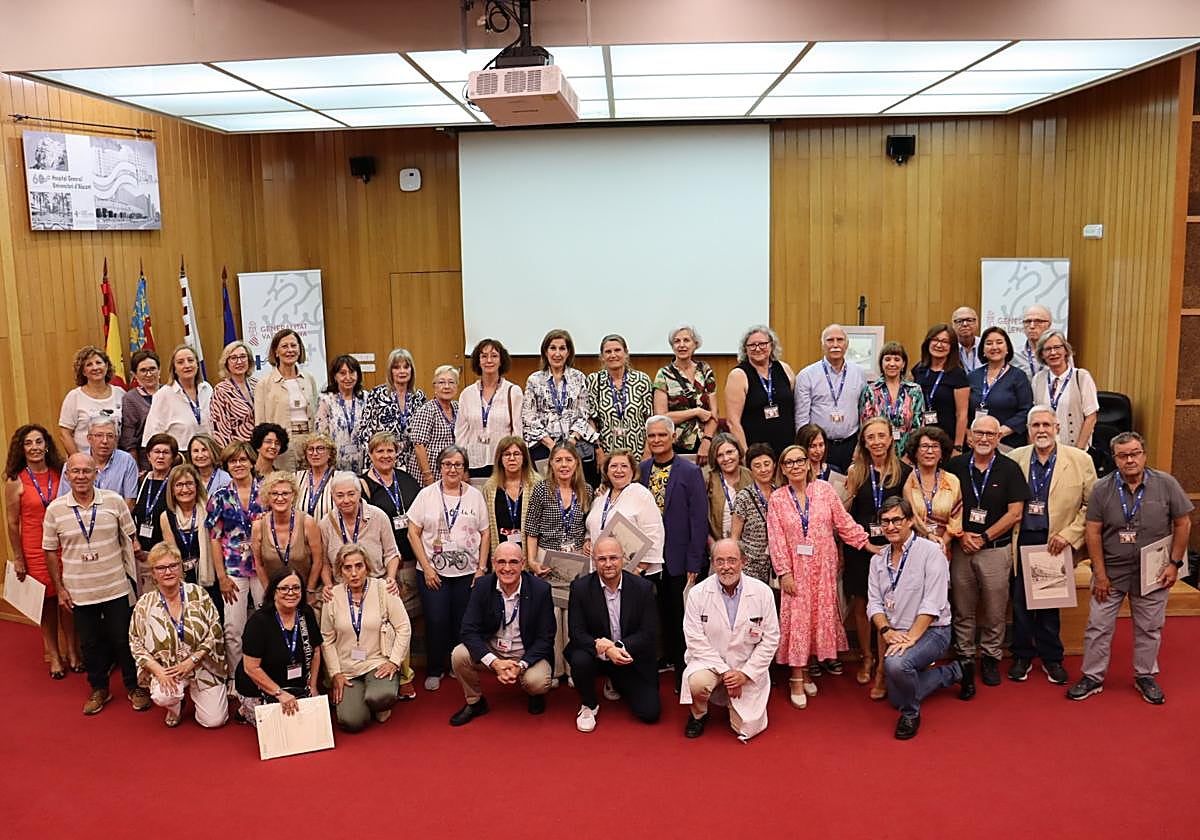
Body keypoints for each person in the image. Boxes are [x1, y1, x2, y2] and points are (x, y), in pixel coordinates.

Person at [1069, 432, 1193, 704]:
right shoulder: (1102, 488)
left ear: (1144, 454)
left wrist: (1175, 563)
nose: (1130, 460)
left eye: (1135, 453)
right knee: (1098, 626)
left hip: (1154, 571)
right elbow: (1093, 532)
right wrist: (1099, 574)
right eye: (1123, 455)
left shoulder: (1166, 484)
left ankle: (1145, 676)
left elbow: (1183, 523)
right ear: (1114, 459)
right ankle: (1092, 676)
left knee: (1149, 627)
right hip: (1111, 571)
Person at [42, 453, 150, 715]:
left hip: (115, 586)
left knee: (124, 639)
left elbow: (130, 536)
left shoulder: (113, 502)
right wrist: (61, 588)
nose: (81, 476)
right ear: (67, 475)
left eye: (86, 471)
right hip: (79, 590)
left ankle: (134, 687)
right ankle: (99, 688)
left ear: (96, 474)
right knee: (90, 643)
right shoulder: (55, 510)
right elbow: (50, 551)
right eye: (75, 471)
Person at [768, 443, 869, 709]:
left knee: (816, 620)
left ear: (808, 463)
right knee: (799, 622)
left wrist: (867, 543)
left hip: (823, 569)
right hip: (796, 572)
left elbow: (843, 523)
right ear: (783, 468)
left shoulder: (824, 490)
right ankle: (796, 678)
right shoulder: (777, 498)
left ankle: (808, 666)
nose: (796, 466)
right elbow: (775, 539)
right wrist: (784, 573)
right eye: (789, 462)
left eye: (799, 460)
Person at [1009, 406, 1097, 684]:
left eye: (1047, 424)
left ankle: (1051, 658)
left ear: (1057, 428)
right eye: (1035, 425)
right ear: (1028, 430)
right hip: (1022, 539)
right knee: (1021, 603)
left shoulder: (1080, 459)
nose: (1041, 430)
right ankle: (1022, 656)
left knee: (1049, 604)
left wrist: (1070, 535)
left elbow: (1091, 506)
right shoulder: (1014, 458)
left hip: (1056, 542)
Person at [866, 497, 963, 740]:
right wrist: (886, 631)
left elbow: (934, 604)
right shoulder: (878, 560)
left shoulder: (931, 552)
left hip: (933, 631)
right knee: (896, 697)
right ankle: (956, 671)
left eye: (897, 520)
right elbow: (874, 603)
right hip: (897, 631)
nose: (891, 527)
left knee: (897, 665)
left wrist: (910, 638)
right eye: (885, 522)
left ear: (910, 521)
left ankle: (911, 714)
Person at [948, 415, 1029, 697]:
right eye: (979, 433)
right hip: (961, 547)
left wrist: (984, 537)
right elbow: (944, 504)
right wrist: (962, 536)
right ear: (969, 436)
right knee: (962, 608)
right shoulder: (954, 466)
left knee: (995, 611)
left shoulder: (1010, 468)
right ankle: (966, 657)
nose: (984, 439)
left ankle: (992, 658)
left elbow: (1015, 513)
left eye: (990, 434)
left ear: (998, 438)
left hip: (995, 549)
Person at [407, 445, 490, 690]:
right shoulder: (426, 495)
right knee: (436, 619)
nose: (452, 469)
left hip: (468, 572)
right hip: (433, 573)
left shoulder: (475, 495)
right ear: (440, 467)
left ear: (464, 469)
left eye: (458, 465)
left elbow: (485, 534)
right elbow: (413, 533)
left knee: (462, 621)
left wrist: (482, 568)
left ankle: (458, 665)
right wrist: (427, 568)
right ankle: (435, 667)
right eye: (447, 464)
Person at [680, 539, 780, 741]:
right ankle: (699, 714)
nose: (726, 567)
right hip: (709, 663)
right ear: (713, 563)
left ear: (743, 561)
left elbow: (770, 640)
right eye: (720, 561)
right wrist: (725, 672)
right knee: (697, 683)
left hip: (746, 666)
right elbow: (694, 639)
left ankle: (733, 704)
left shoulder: (762, 593)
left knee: (745, 727)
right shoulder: (697, 593)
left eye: (732, 560)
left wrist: (745, 674)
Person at [448, 541, 555, 725]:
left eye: (513, 562)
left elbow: (546, 637)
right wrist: (494, 662)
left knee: (537, 682)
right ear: (493, 563)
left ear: (523, 564)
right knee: (459, 654)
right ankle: (476, 702)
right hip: (494, 651)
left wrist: (521, 665)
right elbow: (468, 630)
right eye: (501, 562)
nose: (507, 568)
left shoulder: (540, 589)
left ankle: (534, 694)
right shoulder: (482, 586)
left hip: (525, 653)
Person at [5, 423, 80, 677]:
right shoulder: (16, 481)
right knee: (47, 603)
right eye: (28, 443)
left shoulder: (61, 473)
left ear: (46, 445)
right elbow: (13, 523)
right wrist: (18, 557)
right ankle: (54, 655)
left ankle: (72, 651)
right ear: (22, 449)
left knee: (67, 600)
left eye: (38, 442)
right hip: (36, 550)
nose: (34, 447)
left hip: (64, 545)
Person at [843, 417, 912, 692]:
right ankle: (867, 658)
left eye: (882, 436)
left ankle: (884, 665)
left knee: (889, 608)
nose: (877, 442)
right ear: (864, 442)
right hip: (862, 549)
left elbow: (911, 513)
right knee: (862, 606)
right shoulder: (856, 471)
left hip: (893, 548)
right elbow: (845, 515)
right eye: (871, 437)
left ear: (891, 439)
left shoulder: (904, 471)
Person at [567, 535, 661, 732]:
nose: (608, 564)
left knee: (650, 713)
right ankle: (589, 704)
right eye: (602, 559)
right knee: (579, 658)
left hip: (629, 656)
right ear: (594, 560)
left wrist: (618, 648)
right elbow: (576, 632)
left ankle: (616, 681)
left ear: (623, 558)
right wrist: (604, 648)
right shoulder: (580, 588)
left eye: (613, 558)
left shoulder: (643, 588)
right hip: (595, 654)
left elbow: (649, 632)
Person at [128, 543, 227, 728]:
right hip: (168, 670)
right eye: (161, 568)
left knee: (214, 721)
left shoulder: (199, 594)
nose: (168, 572)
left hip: (201, 665)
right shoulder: (144, 604)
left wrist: (192, 661)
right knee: (164, 695)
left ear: (181, 567)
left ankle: (196, 692)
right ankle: (175, 706)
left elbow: (215, 629)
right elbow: (135, 643)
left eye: (173, 565)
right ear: (153, 573)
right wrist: (159, 672)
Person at [639, 415, 707, 684]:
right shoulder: (642, 469)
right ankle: (659, 662)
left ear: (673, 437)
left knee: (679, 616)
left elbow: (698, 519)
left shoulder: (689, 472)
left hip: (678, 558)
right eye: (652, 436)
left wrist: (694, 561)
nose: (656, 440)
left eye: (661, 435)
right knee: (654, 614)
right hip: (648, 558)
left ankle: (683, 671)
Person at [322, 544, 411, 731]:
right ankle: (361, 703)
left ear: (367, 567)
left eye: (359, 566)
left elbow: (404, 628)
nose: (354, 573)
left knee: (379, 697)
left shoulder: (384, 589)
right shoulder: (332, 596)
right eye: (348, 568)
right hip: (347, 669)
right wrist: (335, 674)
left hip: (377, 663)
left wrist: (394, 662)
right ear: (340, 571)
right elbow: (327, 639)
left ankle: (378, 702)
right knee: (351, 722)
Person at [525, 441, 593, 682]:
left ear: (576, 463)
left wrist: (586, 539)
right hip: (548, 558)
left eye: (569, 460)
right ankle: (554, 669)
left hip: (575, 559)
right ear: (550, 464)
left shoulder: (586, 489)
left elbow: (590, 524)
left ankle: (575, 669)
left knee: (574, 615)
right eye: (558, 460)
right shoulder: (541, 490)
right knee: (551, 616)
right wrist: (532, 561)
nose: (564, 465)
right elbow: (531, 530)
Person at [205, 440, 264, 679]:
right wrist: (221, 577)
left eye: (242, 459)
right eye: (232, 461)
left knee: (266, 623)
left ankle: (265, 674)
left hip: (263, 569)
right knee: (233, 628)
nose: (238, 464)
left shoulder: (267, 491)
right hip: (233, 571)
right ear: (227, 465)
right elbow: (214, 539)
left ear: (251, 462)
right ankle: (237, 677)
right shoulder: (219, 497)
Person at [234, 567, 322, 725]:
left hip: (295, 684)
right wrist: (279, 693)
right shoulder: (258, 622)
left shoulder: (306, 613)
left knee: (303, 726)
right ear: (273, 591)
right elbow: (251, 668)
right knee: (277, 727)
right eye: (284, 588)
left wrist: (313, 686)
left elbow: (315, 652)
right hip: (258, 687)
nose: (291, 593)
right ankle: (245, 708)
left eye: (296, 588)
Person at [521, 329, 598, 483]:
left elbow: (584, 413)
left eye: (562, 348)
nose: (557, 353)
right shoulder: (534, 380)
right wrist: (551, 444)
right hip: (543, 447)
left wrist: (570, 442)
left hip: (574, 445)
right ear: (545, 351)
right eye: (553, 348)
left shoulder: (579, 378)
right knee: (548, 492)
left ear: (569, 352)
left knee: (576, 491)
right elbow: (528, 417)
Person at [793, 324, 868, 472]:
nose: (835, 345)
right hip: (819, 448)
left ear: (846, 344)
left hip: (851, 444)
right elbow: (802, 419)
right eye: (830, 340)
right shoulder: (807, 375)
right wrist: (806, 450)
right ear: (822, 345)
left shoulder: (858, 373)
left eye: (839, 340)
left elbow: (863, 412)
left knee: (849, 488)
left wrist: (861, 445)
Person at [361, 431, 422, 603]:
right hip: (382, 565)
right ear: (371, 454)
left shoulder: (407, 479)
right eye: (380, 451)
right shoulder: (362, 485)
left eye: (390, 451)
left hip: (412, 558)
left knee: (414, 611)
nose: (386, 456)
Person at [158, 464, 224, 620]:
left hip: (211, 577)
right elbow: (172, 554)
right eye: (179, 485)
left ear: (197, 486)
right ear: (172, 490)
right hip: (184, 580)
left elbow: (218, 544)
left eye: (189, 484)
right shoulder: (166, 517)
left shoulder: (210, 510)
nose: (185, 489)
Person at [585, 448, 665, 576]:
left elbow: (654, 533)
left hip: (630, 574)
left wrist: (639, 569)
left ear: (633, 471)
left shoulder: (641, 494)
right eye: (613, 466)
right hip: (600, 571)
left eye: (624, 466)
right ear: (606, 471)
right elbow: (594, 525)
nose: (618, 470)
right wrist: (588, 540)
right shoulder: (601, 495)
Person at [318, 473, 402, 591]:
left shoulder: (378, 516)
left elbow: (391, 554)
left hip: (376, 585)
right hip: (342, 589)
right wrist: (328, 585)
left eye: (351, 494)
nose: (346, 500)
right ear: (332, 496)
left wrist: (391, 579)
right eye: (340, 495)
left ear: (359, 493)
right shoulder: (325, 524)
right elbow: (324, 563)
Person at [455, 338, 524, 479]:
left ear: (501, 360)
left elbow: (518, 432)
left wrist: (516, 463)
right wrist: (461, 466)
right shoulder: (467, 394)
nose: (489, 360)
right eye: (484, 356)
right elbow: (461, 434)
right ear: (478, 361)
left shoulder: (513, 391)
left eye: (494, 356)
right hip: (473, 463)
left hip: (503, 464)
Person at [250, 472, 324, 602]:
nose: (280, 498)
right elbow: (259, 564)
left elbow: (318, 561)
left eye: (285, 493)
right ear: (267, 496)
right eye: (274, 494)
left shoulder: (307, 523)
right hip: (275, 597)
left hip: (304, 595)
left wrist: (309, 591)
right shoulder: (258, 526)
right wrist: (270, 594)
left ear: (293, 495)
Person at [725, 324, 796, 456]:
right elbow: (733, 422)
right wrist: (746, 455)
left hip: (787, 450)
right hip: (757, 453)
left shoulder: (785, 369)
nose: (757, 349)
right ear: (745, 349)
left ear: (771, 345)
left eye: (762, 344)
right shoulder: (738, 375)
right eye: (752, 345)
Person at [253, 329, 318, 470]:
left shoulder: (309, 379)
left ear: (300, 350)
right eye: (284, 346)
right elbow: (260, 425)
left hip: (309, 445)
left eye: (294, 346)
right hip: (281, 449)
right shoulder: (264, 384)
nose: (290, 350)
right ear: (276, 352)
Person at [356, 348, 426, 479]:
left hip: (411, 464)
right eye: (396, 367)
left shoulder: (419, 397)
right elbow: (364, 432)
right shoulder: (377, 394)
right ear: (390, 371)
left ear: (412, 370)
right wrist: (377, 456)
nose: (402, 371)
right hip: (381, 462)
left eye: (406, 367)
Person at [652, 324, 718, 459]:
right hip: (676, 446)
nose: (681, 345)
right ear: (672, 346)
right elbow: (661, 417)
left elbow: (714, 414)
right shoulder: (663, 374)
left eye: (686, 340)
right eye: (677, 341)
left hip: (707, 443)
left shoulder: (705, 370)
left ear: (695, 344)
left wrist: (707, 441)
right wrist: (696, 412)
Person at [588, 333, 654, 461]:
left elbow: (650, 419)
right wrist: (598, 450)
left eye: (617, 350)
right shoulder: (594, 380)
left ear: (626, 353)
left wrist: (648, 449)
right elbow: (591, 420)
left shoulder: (642, 380)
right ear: (602, 356)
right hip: (607, 452)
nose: (613, 355)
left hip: (638, 451)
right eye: (608, 351)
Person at [1031, 330, 1100, 450]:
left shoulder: (1081, 377)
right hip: (1045, 449)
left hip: (1075, 448)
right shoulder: (1038, 379)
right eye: (1047, 349)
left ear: (1065, 350)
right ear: (1041, 354)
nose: (1053, 353)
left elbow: (1091, 417)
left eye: (1057, 347)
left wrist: (1079, 450)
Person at [968, 327, 1034, 450]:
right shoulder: (973, 376)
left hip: (1008, 443)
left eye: (999, 342)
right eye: (989, 343)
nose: (994, 347)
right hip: (977, 443)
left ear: (1007, 348)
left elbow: (1026, 410)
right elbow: (964, 410)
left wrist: (1000, 432)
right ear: (982, 349)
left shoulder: (1018, 376)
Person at [859, 341, 927, 459]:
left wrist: (909, 456)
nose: (892, 363)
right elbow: (866, 426)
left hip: (907, 455)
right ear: (881, 363)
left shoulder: (914, 390)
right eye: (887, 359)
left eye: (896, 359)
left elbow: (919, 426)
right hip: (877, 454)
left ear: (903, 364)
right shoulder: (871, 390)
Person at [902, 426, 963, 556]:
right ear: (915, 452)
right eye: (924, 446)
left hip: (942, 550)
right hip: (909, 549)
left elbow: (956, 520)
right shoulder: (905, 478)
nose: (930, 451)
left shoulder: (952, 481)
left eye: (935, 446)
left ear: (942, 452)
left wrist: (939, 546)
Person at [910, 323, 969, 454]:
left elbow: (962, 414)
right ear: (928, 342)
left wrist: (957, 446)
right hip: (921, 439)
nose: (939, 345)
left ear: (952, 347)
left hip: (947, 439)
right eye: (935, 340)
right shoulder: (918, 370)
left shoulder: (957, 374)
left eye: (945, 342)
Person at [142, 344, 212, 450]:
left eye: (190, 360)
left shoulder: (207, 389)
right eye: (180, 362)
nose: (187, 365)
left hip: (209, 452)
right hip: (180, 456)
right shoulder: (163, 394)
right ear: (174, 369)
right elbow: (152, 436)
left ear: (197, 364)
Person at [58, 345, 123, 456]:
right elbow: (65, 433)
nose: (95, 368)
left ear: (106, 366)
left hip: (115, 461)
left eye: (98, 363)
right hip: (85, 464)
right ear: (83, 371)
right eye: (89, 365)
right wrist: (79, 460)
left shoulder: (120, 393)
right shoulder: (74, 397)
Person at [57, 417, 138, 505]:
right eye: (99, 435)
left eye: (110, 436)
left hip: (116, 516)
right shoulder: (74, 463)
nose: (104, 441)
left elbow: (130, 502)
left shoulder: (127, 461)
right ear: (89, 439)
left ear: (116, 439)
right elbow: (63, 501)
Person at [481, 435, 539, 553]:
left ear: (524, 458)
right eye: (507, 454)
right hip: (501, 550)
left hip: (531, 552)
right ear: (500, 459)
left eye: (516, 454)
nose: (512, 458)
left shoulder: (537, 485)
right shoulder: (490, 487)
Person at [730, 443, 776, 585]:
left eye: (767, 464)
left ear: (774, 465)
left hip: (776, 565)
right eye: (757, 465)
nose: (763, 469)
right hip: (750, 567)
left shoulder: (780, 493)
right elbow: (735, 536)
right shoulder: (743, 497)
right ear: (750, 469)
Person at [410, 365, 461, 486]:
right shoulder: (427, 410)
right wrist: (427, 474)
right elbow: (418, 444)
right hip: (430, 471)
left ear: (457, 387)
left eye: (451, 382)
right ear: (435, 387)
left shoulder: (458, 407)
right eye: (441, 382)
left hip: (450, 470)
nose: (446, 386)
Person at [315, 354, 366, 473]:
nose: (348, 377)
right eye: (342, 373)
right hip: (335, 463)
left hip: (363, 462)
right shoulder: (326, 400)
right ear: (335, 376)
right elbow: (320, 434)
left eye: (352, 372)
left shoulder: (366, 398)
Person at [132, 434, 179, 561]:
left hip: (167, 554)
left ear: (173, 457)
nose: (160, 456)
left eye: (166, 452)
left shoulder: (177, 483)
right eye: (156, 452)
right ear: (148, 456)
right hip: (139, 552)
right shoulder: (141, 480)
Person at [703, 432, 752, 546]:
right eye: (720, 455)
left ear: (739, 451)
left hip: (749, 547)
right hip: (717, 546)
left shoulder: (751, 476)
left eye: (730, 452)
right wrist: (713, 546)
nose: (726, 458)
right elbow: (699, 519)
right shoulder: (707, 479)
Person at [209, 341, 258, 448]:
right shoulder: (221, 390)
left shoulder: (256, 384)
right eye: (234, 358)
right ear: (226, 363)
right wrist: (232, 454)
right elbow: (220, 430)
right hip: (238, 451)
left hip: (260, 447)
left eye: (243, 357)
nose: (239, 361)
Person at [120, 349, 161, 470]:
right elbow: (129, 440)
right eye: (143, 370)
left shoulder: (170, 392)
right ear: (134, 374)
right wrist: (136, 469)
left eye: (152, 369)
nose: (149, 374)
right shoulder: (130, 399)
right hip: (146, 463)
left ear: (159, 370)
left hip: (173, 459)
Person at [295, 433, 338, 521]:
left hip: (329, 533)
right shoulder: (295, 478)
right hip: (302, 533)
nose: (314, 453)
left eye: (320, 449)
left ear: (330, 453)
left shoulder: (340, 478)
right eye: (310, 449)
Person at [796, 422, 846, 491]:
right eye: (812, 446)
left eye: (821, 445)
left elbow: (842, 500)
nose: (818, 451)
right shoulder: (796, 474)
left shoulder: (835, 471)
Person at [1012, 304, 1054, 379]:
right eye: (1027, 321)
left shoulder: (1059, 353)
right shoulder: (1015, 354)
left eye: (1038, 321)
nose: (1032, 326)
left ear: (1049, 325)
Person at [186, 433, 232, 498]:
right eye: (196, 451)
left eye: (204, 450)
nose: (200, 455)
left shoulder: (224, 479)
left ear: (213, 451)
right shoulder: (187, 477)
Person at [951, 306, 982, 372]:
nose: (965, 324)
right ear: (953, 325)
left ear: (977, 323)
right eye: (959, 321)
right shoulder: (948, 348)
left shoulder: (985, 345)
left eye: (969, 320)